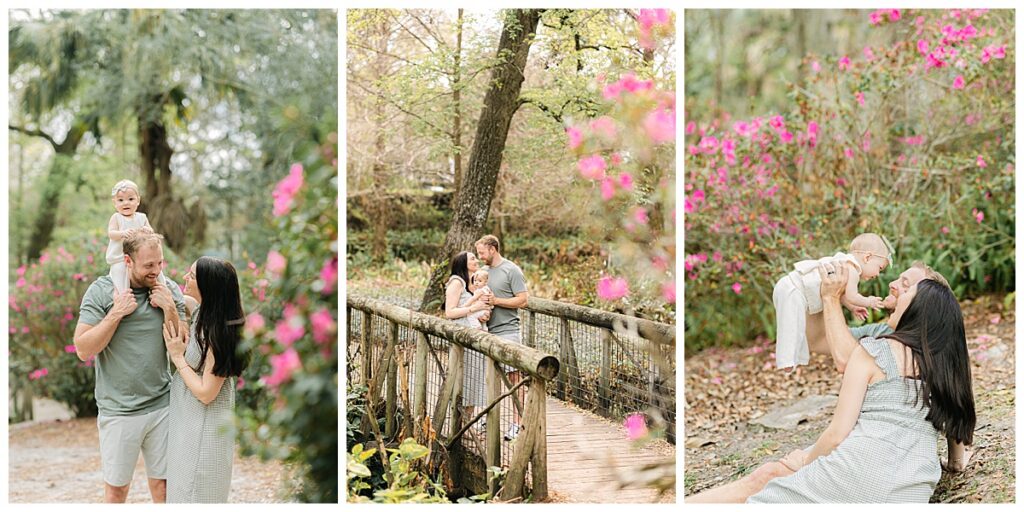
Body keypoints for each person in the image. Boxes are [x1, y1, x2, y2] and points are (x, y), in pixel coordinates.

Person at [688, 262, 976, 503]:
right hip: (909, 491)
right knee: (767, 475)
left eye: (907, 286)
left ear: (925, 307)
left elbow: (838, 425)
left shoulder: (875, 348)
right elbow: (956, 414)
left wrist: (828, 296)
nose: (895, 287)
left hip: (855, 467)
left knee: (767, 489)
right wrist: (824, 293)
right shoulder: (947, 362)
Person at [73, 228, 185, 503]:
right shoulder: (102, 291)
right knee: (116, 491)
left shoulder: (167, 288)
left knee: (165, 489)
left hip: (162, 405)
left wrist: (169, 308)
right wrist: (116, 313)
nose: (156, 271)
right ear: (127, 261)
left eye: (160, 263)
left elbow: (183, 344)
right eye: (149, 265)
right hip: (119, 411)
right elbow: (83, 349)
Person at [162, 256, 249, 502]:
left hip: (204, 432)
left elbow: (206, 392)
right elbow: (176, 295)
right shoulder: (204, 314)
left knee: (195, 495)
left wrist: (177, 357)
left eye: (191, 276)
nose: (185, 279)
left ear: (207, 287)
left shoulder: (218, 333)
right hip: (190, 425)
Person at [772, 233, 892, 369]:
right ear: (867, 257)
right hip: (794, 289)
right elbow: (852, 295)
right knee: (791, 325)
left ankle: (794, 360)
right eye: (879, 268)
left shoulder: (845, 264)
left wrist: (852, 307)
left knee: (798, 325)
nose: (877, 275)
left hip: (791, 287)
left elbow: (842, 294)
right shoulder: (852, 270)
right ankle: (787, 361)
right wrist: (868, 302)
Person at [474, 234, 528, 440]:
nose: (480, 257)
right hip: (488, 331)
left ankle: (518, 423)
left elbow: (523, 300)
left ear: (493, 249)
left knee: (514, 379)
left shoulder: (511, 270)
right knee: (489, 378)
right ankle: (488, 418)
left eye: (482, 253)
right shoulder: (484, 272)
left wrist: (497, 300)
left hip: (508, 331)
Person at [444, 251, 494, 434]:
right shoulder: (456, 282)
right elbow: (449, 313)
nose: (476, 260)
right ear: (463, 263)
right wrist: (474, 307)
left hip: (474, 336)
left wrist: (483, 314)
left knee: (474, 381)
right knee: (464, 382)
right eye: (472, 258)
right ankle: (458, 430)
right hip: (463, 339)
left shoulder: (469, 283)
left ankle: (466, 428)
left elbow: (472, 310)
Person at [105, 179, 163, 295]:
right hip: (121, 257)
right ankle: (123, 296)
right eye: (120, 200)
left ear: (138, 201)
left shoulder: (141, 217)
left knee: (159, 274)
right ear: (114, 203)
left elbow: (151, 230)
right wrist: (122, 233)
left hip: (142, 257)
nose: (126, 203)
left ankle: (160, 291)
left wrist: (147, 230)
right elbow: (111, 233)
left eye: (130, 199)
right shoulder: (116, 218)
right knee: (120, 276)